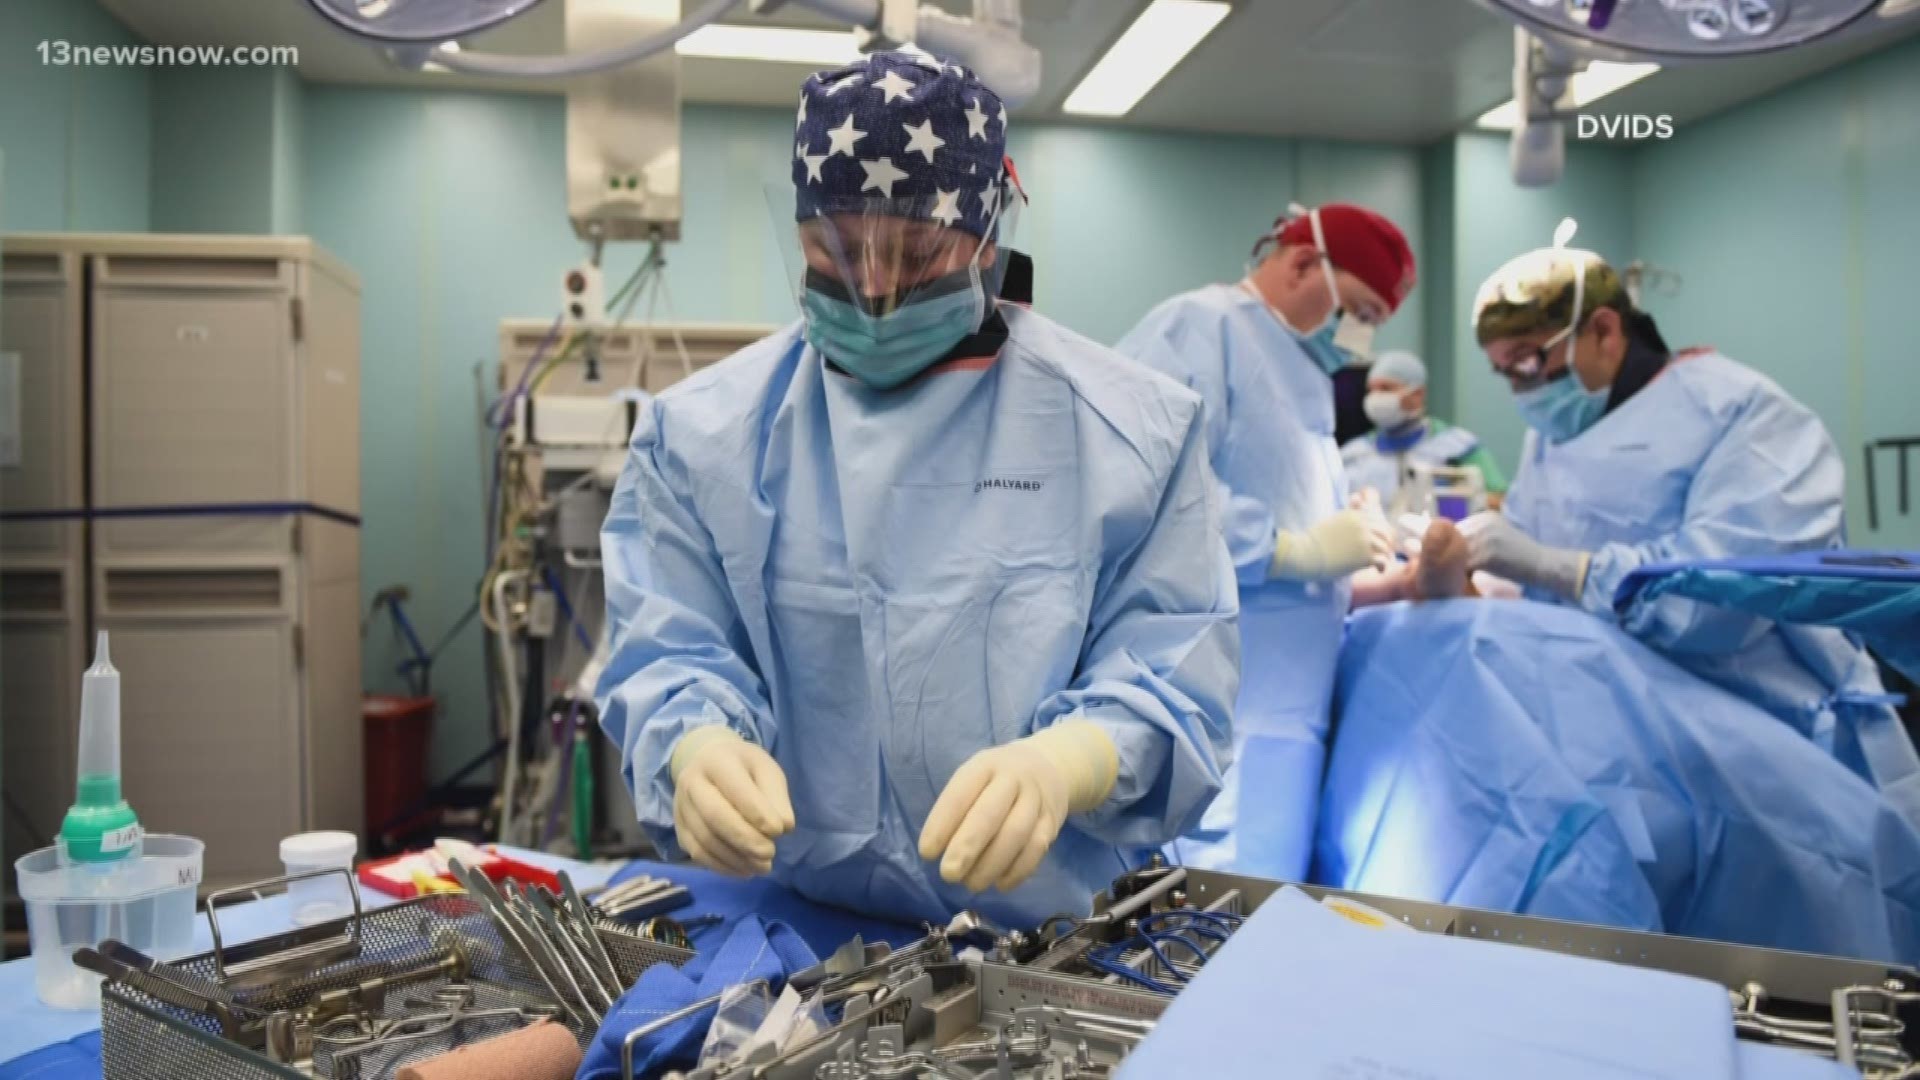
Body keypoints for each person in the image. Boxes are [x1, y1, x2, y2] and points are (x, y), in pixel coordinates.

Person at [595, 52, 1238, 929]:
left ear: (987, 229)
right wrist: (693, 742)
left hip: (1057, 937)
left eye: (915, 250)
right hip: (805, 929)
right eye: (836, 248)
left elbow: (1175, 668)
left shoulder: (1131, 431)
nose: (875, 289)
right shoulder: (702, 438)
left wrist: (1076, 759)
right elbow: (670, 645)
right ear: (800, 229)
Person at [1454, 243, 1920, 820]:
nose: (1522, 388)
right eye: (1503, 371)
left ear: (1603, 329)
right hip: (1630, 742)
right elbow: (1529, 557)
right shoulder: (1553, 436)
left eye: (1526, 362)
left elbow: (1727, 600)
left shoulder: (1742, 413)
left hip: (1771, 750)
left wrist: (1563, 570)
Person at [1115, 202, 1416, 878]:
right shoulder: (1203, 327)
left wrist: (1349, 535)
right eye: (1362, 311)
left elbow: (1281, 498)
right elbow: (1150, 483)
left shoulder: (1303, 370)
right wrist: (1294, 549)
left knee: (1256, 897)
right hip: (1218, 698)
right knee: (1207, 916)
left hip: (1283, 707)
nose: (1361, 336)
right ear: (1305, 263)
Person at [1340, 350, 1508, 512]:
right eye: (1371, 390)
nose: (1375, 397)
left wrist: (1461, 503)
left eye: (1386, 388)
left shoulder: (1458, 448)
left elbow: (1500, 500)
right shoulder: (1352, 454)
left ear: (1417, 394)